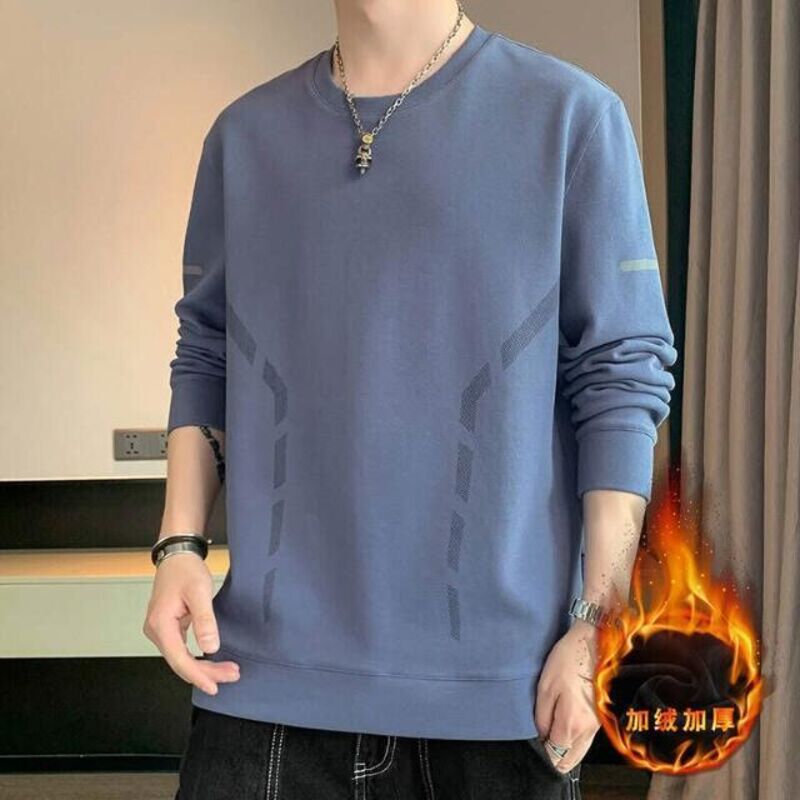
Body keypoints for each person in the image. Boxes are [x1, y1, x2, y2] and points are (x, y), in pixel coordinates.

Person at [143, 0, 678, 797]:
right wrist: (179, 544)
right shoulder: (243, 138)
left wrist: (601, 620)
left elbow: (619, 379)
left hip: (499, 700)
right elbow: (207, 352)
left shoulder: (572, 119)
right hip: (262, 687)